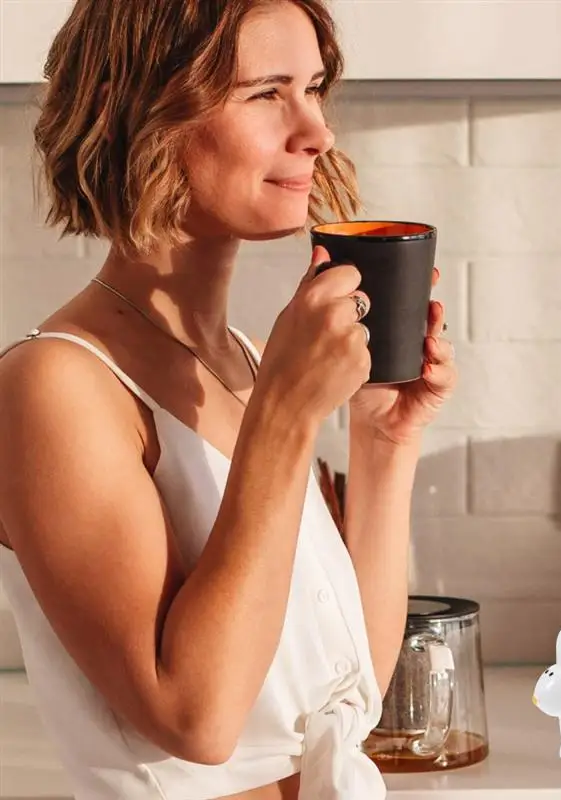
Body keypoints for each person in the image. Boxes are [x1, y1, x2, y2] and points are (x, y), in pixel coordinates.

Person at [0, 1, 457, 799]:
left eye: (312, 89)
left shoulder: (244, 360)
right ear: (142, 110)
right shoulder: (53, 386)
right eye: (266, 93)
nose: (317, 132)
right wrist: (285, 416)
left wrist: (383, 442)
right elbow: (197, 720)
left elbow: (348, 697)